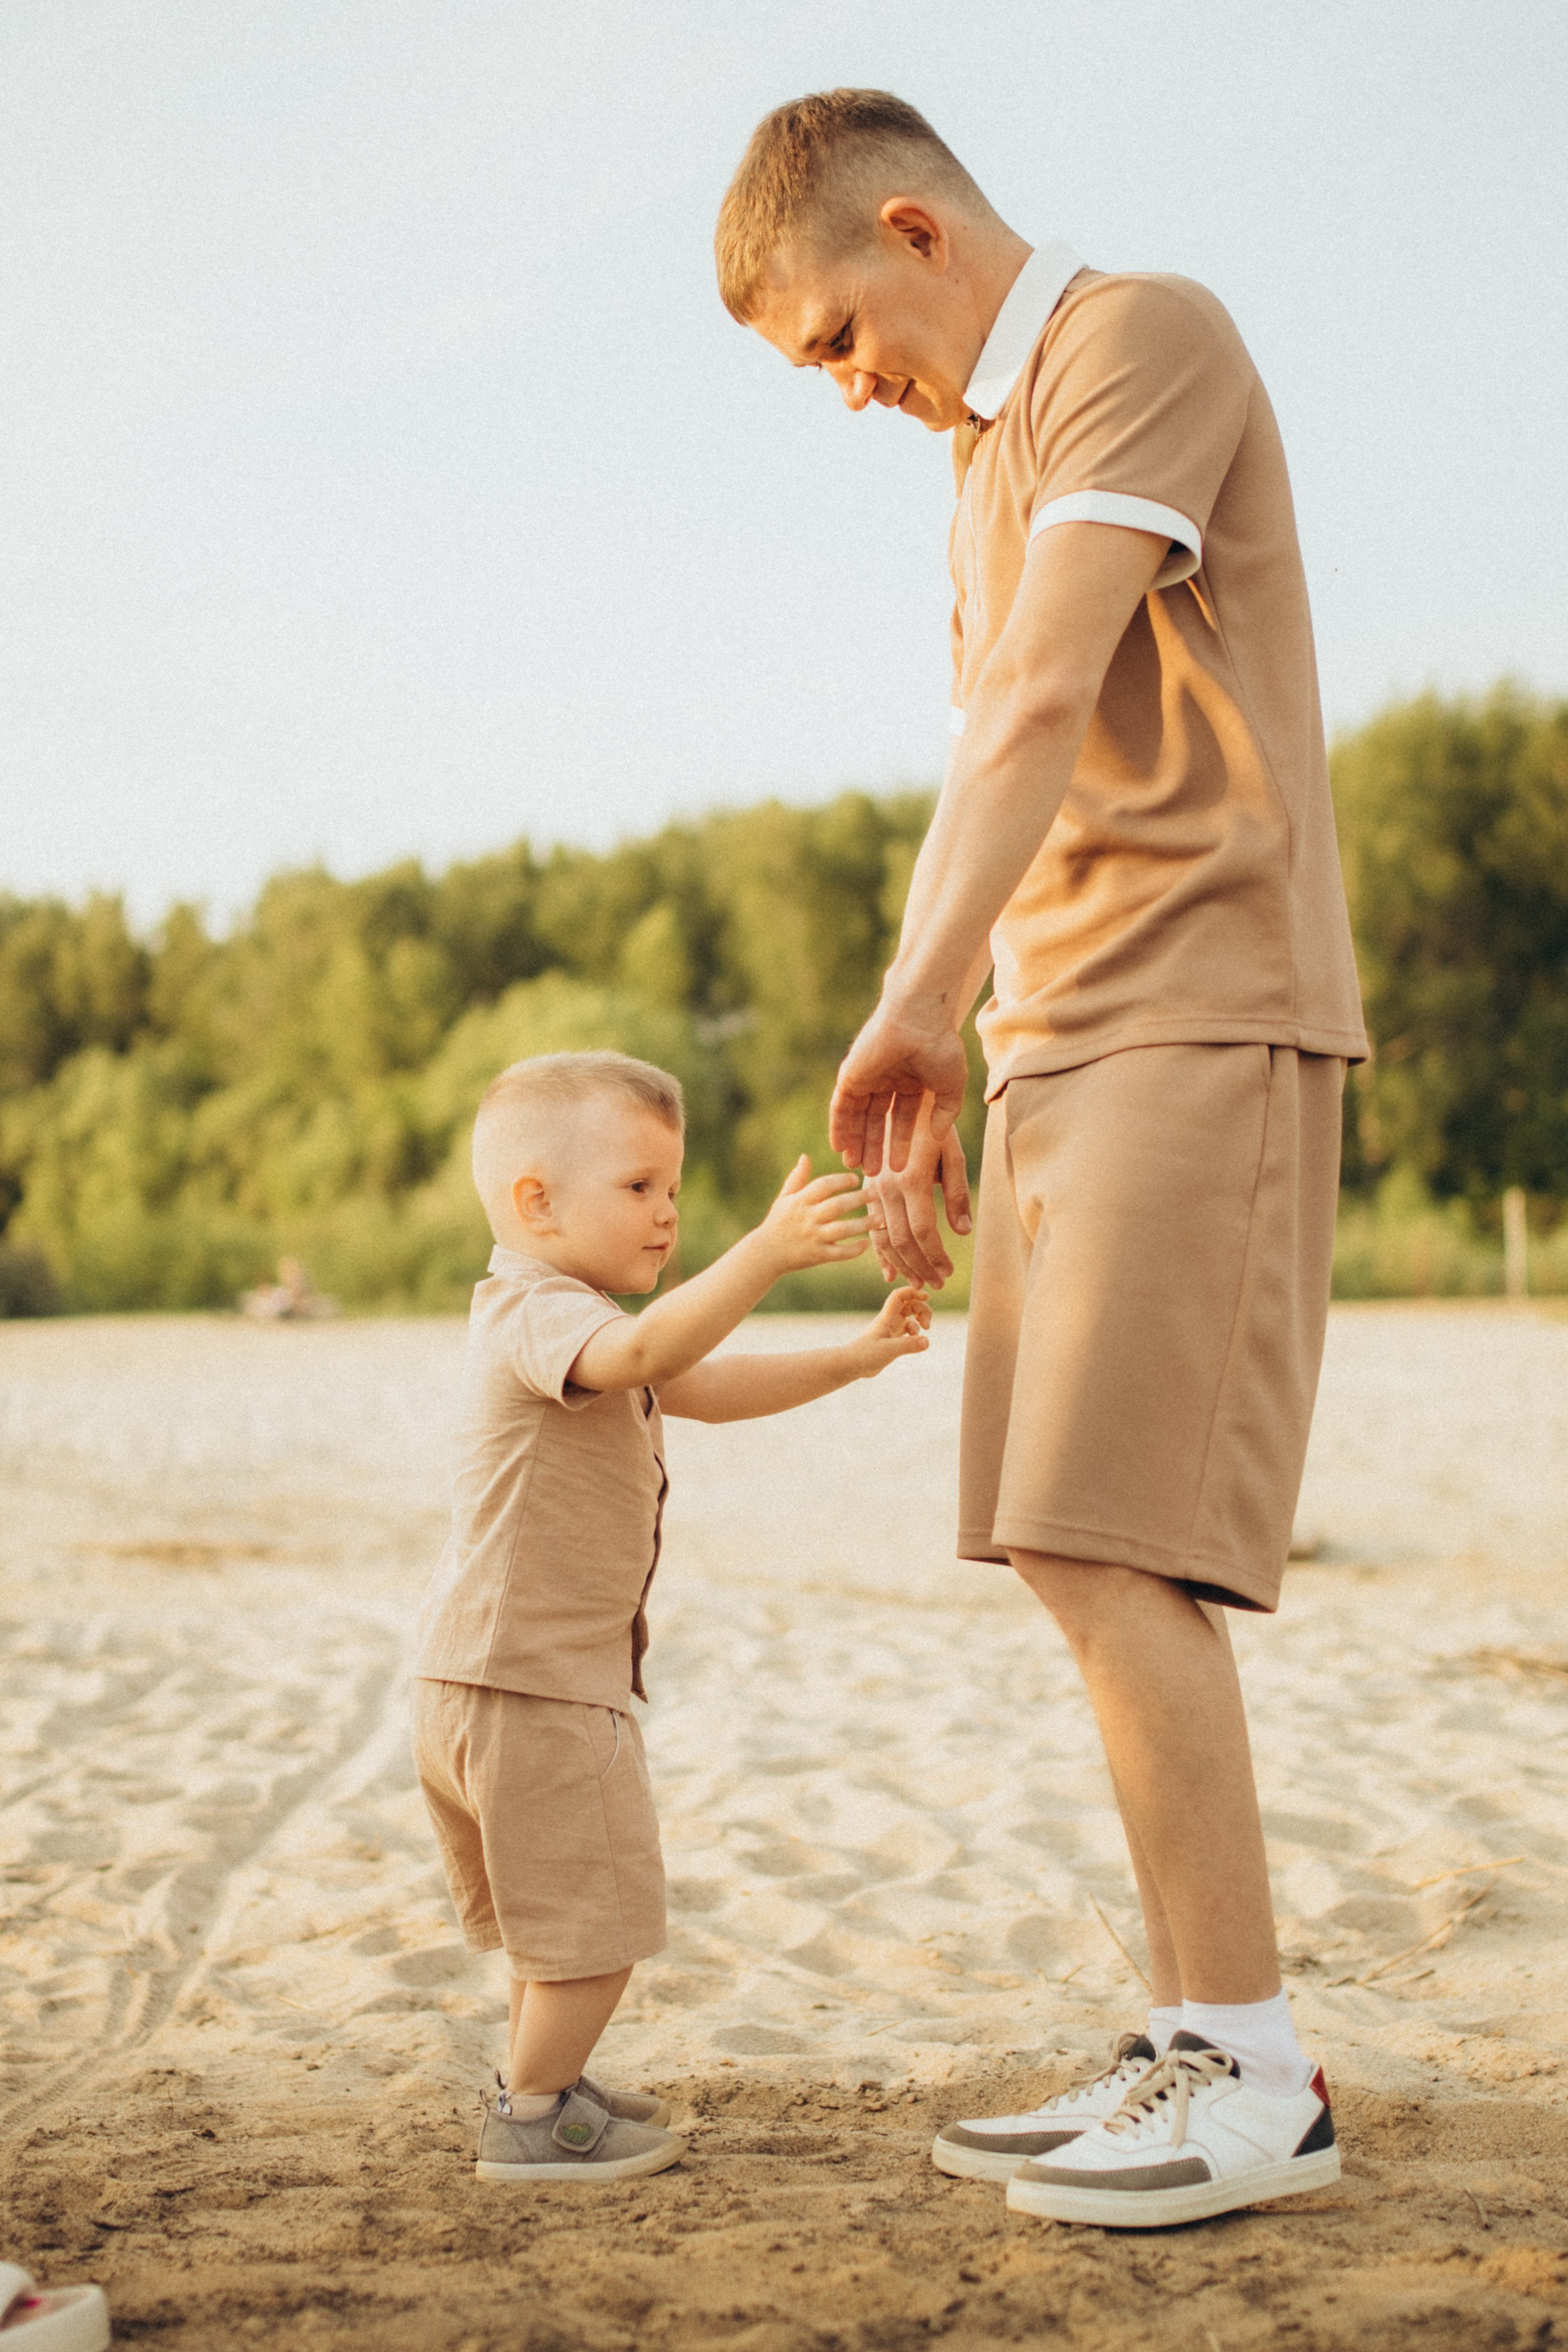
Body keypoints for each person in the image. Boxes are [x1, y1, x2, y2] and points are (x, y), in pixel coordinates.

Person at [716, 89, 1367, 2227]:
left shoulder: (1132, 339)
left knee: (1116, 1544)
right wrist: (954, 1063)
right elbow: (1005, 775)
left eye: (831, 338)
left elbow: (1027, 712)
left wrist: (897, 1007)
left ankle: (1250, 2071)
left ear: (908, 230)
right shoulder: (976, 474)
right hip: (1062, 1036)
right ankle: (1194, 2032)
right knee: (1057, 1551)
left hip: (1205, 1002)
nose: (840, 390)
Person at [413, 1048, 930, 2185]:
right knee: (601, 1929)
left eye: (675, 1188)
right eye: (639, 1187)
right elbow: (655, 1350)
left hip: (482, 1679)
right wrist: (769, 1251)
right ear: (534, 1201)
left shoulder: (576, 1321)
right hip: (534, 1684)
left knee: (554, 1927)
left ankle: (542, 2085)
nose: (667, 1214)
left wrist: (852, 1359)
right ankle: (533, 2114)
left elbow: (694, 1379)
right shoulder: (539, 1314)